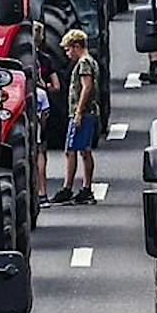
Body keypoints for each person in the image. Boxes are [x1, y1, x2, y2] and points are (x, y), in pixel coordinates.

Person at [52, 26, 101, 204]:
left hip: (83, 113)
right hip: (86, 112)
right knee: (81, 150)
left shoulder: (84, 63)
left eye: (68, 49)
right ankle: (80, 187)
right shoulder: (90, 61)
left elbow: (86, 87)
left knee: (73, 150)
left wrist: (79, 112)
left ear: (76, 46)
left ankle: (72, 188)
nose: (67, 53)